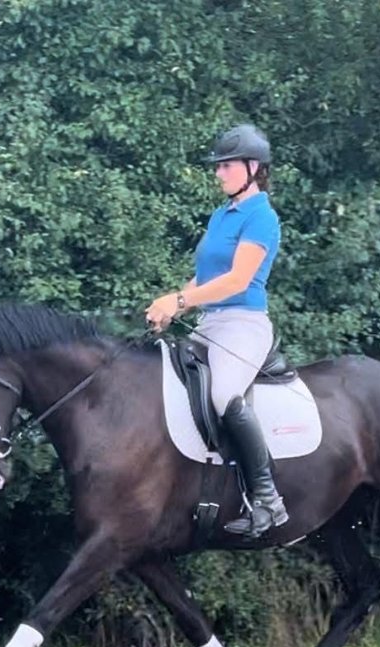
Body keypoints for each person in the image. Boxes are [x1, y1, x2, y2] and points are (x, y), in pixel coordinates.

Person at [145, 123, 288, 538]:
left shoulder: (262, 217)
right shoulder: (221, 214)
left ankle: (267, 499)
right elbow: (206, 275)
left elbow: (237, 281)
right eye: (219, 166)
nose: (219, 173)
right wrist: (172, 301)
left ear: (253, 167)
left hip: (243, 324)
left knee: (224, 395)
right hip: (209, 324)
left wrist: (181, 301)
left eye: (227, 166)